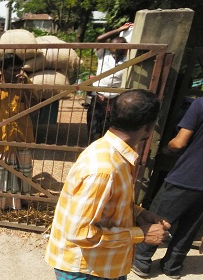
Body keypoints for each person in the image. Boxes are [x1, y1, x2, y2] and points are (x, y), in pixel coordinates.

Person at [45, 89, 171, 279]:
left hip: (103, 265)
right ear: (150, 126)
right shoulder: (104, 170)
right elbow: (80, 233)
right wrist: (140, 234)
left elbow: (108, 205)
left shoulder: (116, 155)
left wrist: (139, 213)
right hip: (85, 270)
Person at [132, 97, 203, 279]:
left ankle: (141, 260)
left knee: (160, 218)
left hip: (187, 175)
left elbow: (179, 142)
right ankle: (172, 266)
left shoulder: (200, 103)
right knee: (191, 226)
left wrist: (166, 148)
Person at [0, 53, 39, 210]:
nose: (16, 74)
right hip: (1, 138)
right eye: (12, 70)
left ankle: (23, 203)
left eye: (18, 70)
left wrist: (24, 88)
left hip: (22, 136)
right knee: (3, 172)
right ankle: (2, 205)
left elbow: (34, 110)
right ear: (1, 70)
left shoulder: (25, 82)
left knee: (24, 172)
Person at [87, 23, 131, 142]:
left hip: (114, 100)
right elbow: (99, 39)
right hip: (98, 98)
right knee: (94, 129)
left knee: (109, 131)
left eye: (121, 47)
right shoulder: (103, 55)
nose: (116, 48)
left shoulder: (127, 60)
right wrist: (119, 29)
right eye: (114, 45)